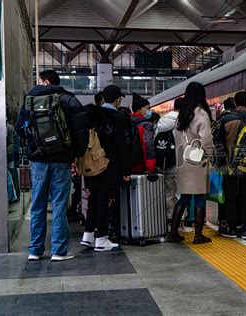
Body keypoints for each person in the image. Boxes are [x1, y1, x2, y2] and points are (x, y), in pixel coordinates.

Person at [15, 69, 83, 261]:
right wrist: (74, 154)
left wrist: (35, 144)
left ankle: (35, 250)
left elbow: (20, 128)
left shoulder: (30, 100)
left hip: (38, 160)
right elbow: (80, 130)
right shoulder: (68, 99)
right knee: (60, 204)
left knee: (37, 205)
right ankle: (58, 251)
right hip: (62, 160)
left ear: (44, 81)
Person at [80, 85, 132, 251]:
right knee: (104, 202)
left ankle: (88, 235)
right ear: (118, 99)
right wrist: (126, 171)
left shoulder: (91, 114)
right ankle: (101, 239)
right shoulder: (119, 118)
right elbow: (124, 147)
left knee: (93, 200)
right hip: (109, 166)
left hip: (90, 164)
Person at [167, 82, 213, 244]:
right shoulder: (200, 113)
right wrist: (210, 154)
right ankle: (198, 235)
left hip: (182, 160)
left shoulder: (183, 114)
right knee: (199, 196)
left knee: (185, 196)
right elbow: (206, 139)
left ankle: (173, 232)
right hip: (197, 159)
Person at [217, 91, 246, 239]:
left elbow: (220, 146)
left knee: (231, 197)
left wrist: (219, 165)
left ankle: (231, 228)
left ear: (235, 103)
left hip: (231, 165)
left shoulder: (227, 120)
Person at [155, 98, 182, 226]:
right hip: (178, 162)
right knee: (180, 193)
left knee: (168, 192)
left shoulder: (162, 121)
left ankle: (168, 219)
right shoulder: (181, 121)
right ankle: (179, 222)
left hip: (164, 162)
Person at [213, 97, 235, 234]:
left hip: (222, 162)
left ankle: (222, 221)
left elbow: (216, 143)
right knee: (233, 194)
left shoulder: (219, 121)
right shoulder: (238, 119)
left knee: (222, 193)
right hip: (237, 162)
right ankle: (234, 221)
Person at [130, 92, 156, 173]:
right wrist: (150, 166)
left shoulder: (126, 121)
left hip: (127, 165)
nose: (149, 111)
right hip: (140, 165)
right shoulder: (146, 125)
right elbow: (148, 144)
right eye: (147, 108)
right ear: (140, 109)